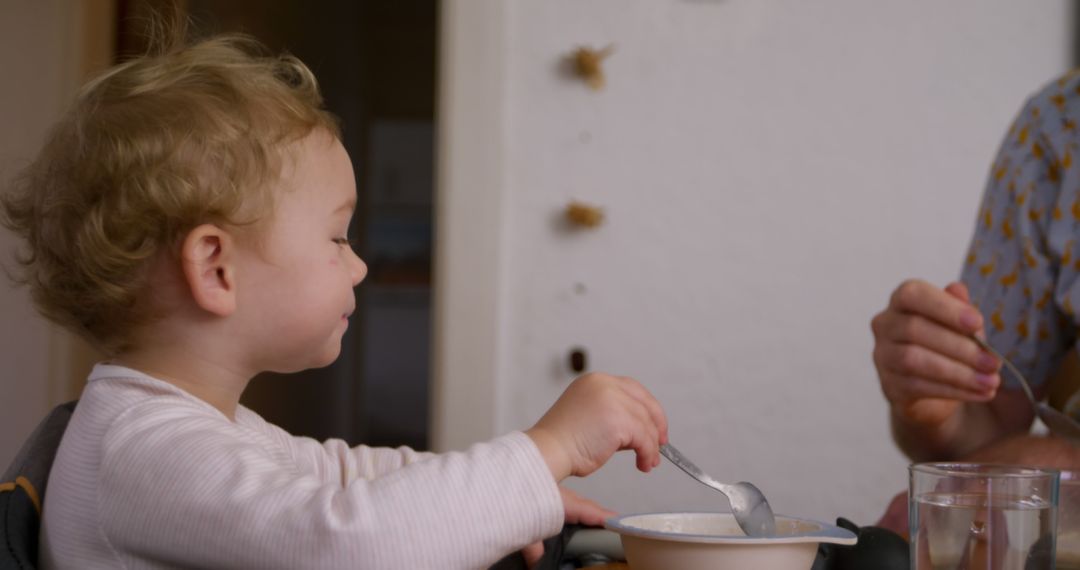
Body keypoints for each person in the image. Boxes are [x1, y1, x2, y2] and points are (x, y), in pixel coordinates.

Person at [0, 30, 668, 569]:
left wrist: (513, 498)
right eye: (338, 237)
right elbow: (355, 542)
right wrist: (548, 447)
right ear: (216, 269)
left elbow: (343, 473)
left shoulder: (190, 430)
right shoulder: (147, 459)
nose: (360, 264)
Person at [871, 70, 1080, 533]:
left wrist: (1043, 465)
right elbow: (989, 428)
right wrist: (935, 406)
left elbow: (1010, 462)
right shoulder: (1058, 127)